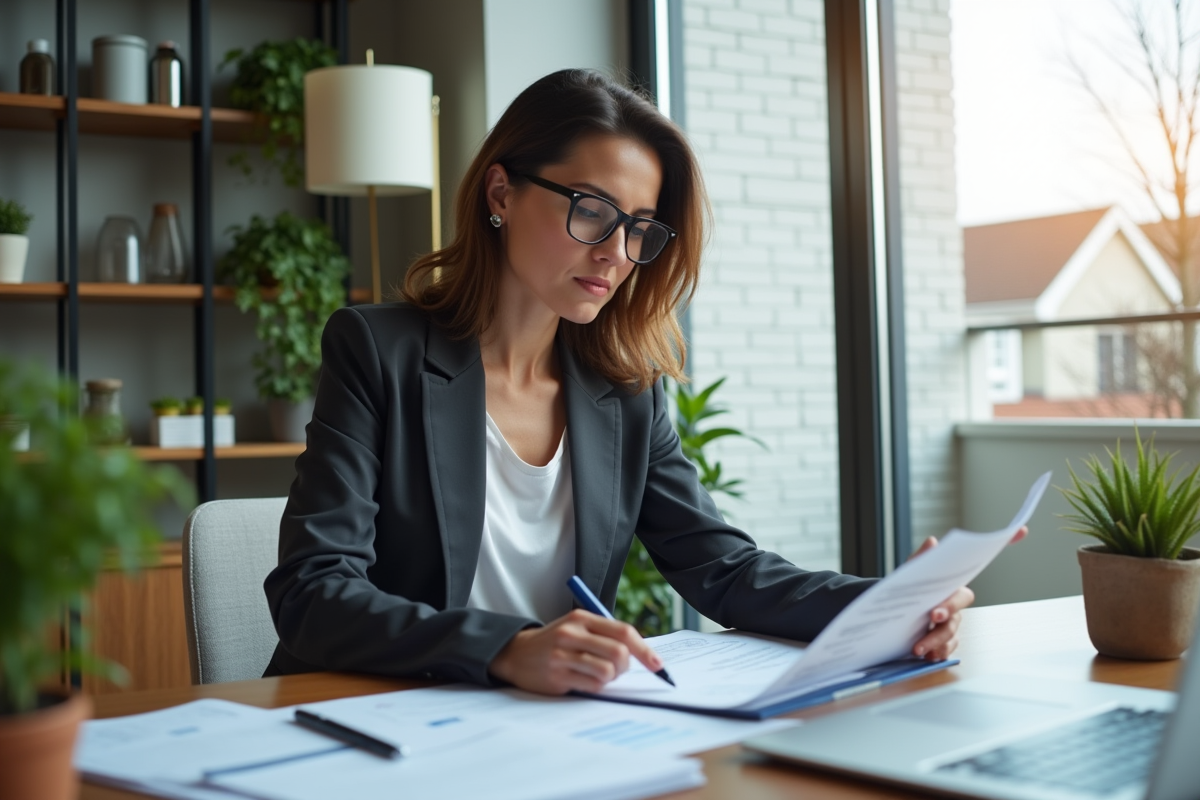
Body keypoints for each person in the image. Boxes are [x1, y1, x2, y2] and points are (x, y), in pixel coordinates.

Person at [263, 68, 1007, 696]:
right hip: (371, 717)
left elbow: (724, 570)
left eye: (640, 227)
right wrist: (508, 647)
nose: (616, 253)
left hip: (543, 728)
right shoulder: (376, 350)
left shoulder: (620, 390)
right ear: (500, 192)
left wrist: (888, 603)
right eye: (592, 211)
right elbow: (313, 593)